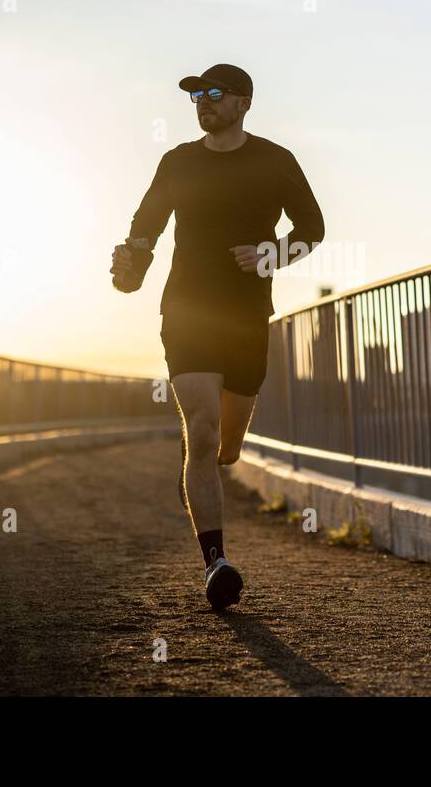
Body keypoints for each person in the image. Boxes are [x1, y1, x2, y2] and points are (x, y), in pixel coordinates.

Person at [109, 63, 325, 609]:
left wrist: (271, 254)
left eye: (213, 94)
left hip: (247, 316)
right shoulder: (178, 161)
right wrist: (131, 259)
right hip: (187, 310)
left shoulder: (275, 161)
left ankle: (212, 456)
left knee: (226, 448)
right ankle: (216, 563)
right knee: (201, 433)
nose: (203, 103)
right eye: (196, 96)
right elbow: (147, 224)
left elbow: (313, 230)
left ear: (243, 103)